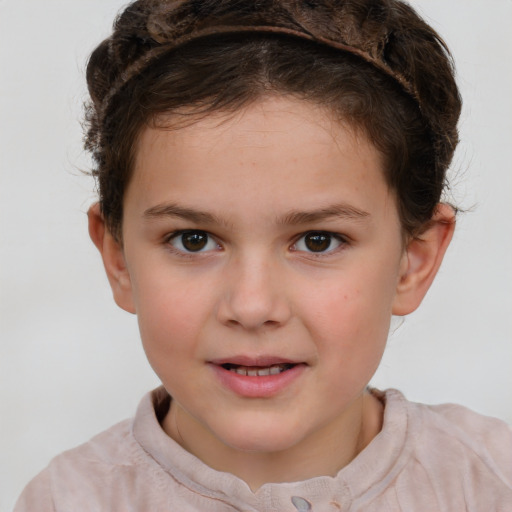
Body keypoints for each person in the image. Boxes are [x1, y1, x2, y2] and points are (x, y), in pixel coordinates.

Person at [14, 0, 512, 510]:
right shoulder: (65, 500)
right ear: (118, 258)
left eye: (318, 240)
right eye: (193, 239)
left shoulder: (492, 483)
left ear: (414, 259)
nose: (252, 306)